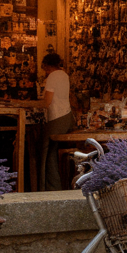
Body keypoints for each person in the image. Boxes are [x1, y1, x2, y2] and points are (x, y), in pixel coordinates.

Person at [33, 53, 74, 191]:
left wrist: (25, 103)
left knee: (48, 152)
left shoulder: (52, 76)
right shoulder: (64, 75)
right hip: (67, 115)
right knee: (54, 151)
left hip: (56, 117)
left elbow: (47, 102)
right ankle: (57, 185)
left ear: (47, 65)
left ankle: (50, 187)